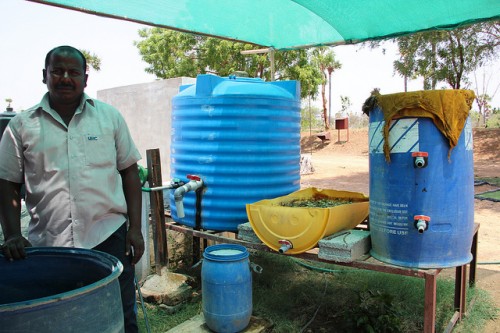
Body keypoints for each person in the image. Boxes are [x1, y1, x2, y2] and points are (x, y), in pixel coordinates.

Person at [0, 45, 144, 333]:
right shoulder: (21, 126)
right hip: (50, 246)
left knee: (121, 314)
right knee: (59, 321)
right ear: (45, 75)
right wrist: (13, 234)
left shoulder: (109, 118)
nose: (65, 78)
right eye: (57, 71)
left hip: (108, 237)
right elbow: (8, 183)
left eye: (74, 72)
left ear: (85, 79)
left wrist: (135, 229)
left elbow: (129, 172)